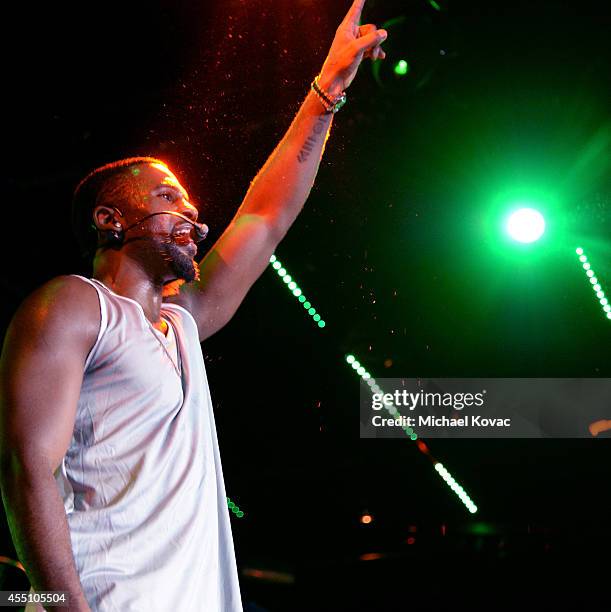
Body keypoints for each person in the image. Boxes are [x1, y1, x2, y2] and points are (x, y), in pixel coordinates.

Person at [0, 1, 387, 610]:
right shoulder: (74, 306)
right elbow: (26, 467)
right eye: (168, 199)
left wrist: (324, 94)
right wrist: (60, 606)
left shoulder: (183, 321)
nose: (194, 219)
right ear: (110, 219)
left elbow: (266, 214)